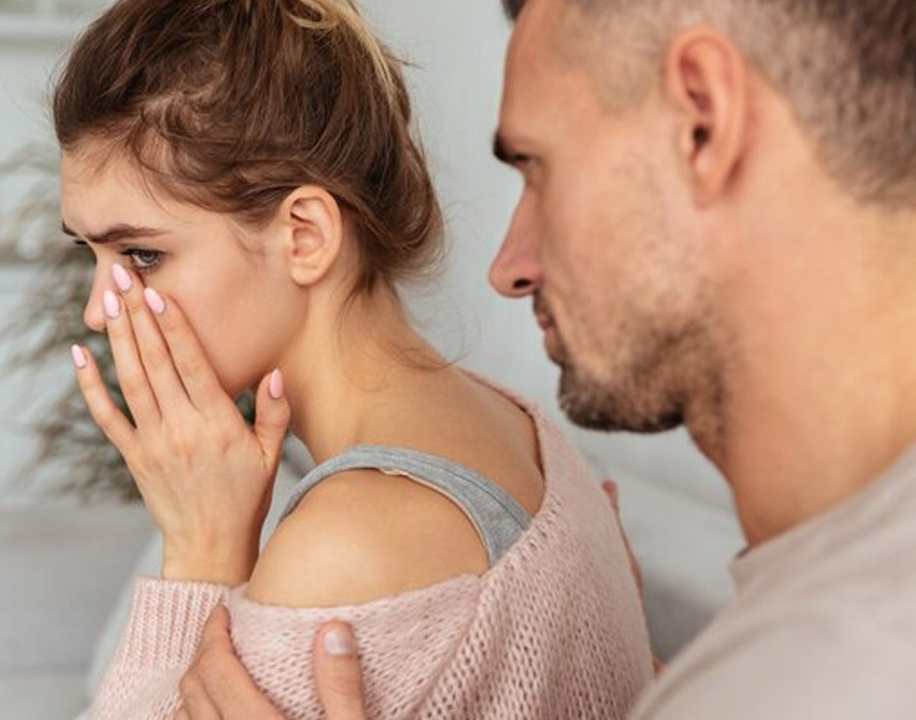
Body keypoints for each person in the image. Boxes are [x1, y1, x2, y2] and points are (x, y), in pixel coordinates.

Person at [174, 0, 916, 717]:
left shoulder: (844, 662)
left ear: (703, 121)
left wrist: (199, 562)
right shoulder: (829, 617)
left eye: (538, 168)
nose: (509, 267)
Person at [56, 0, 655, 717]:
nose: (101, 308)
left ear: (305, 236)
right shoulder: (519, 425)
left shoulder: (345, 550)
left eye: (141, 254)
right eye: (89, 253)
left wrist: (200, 561)